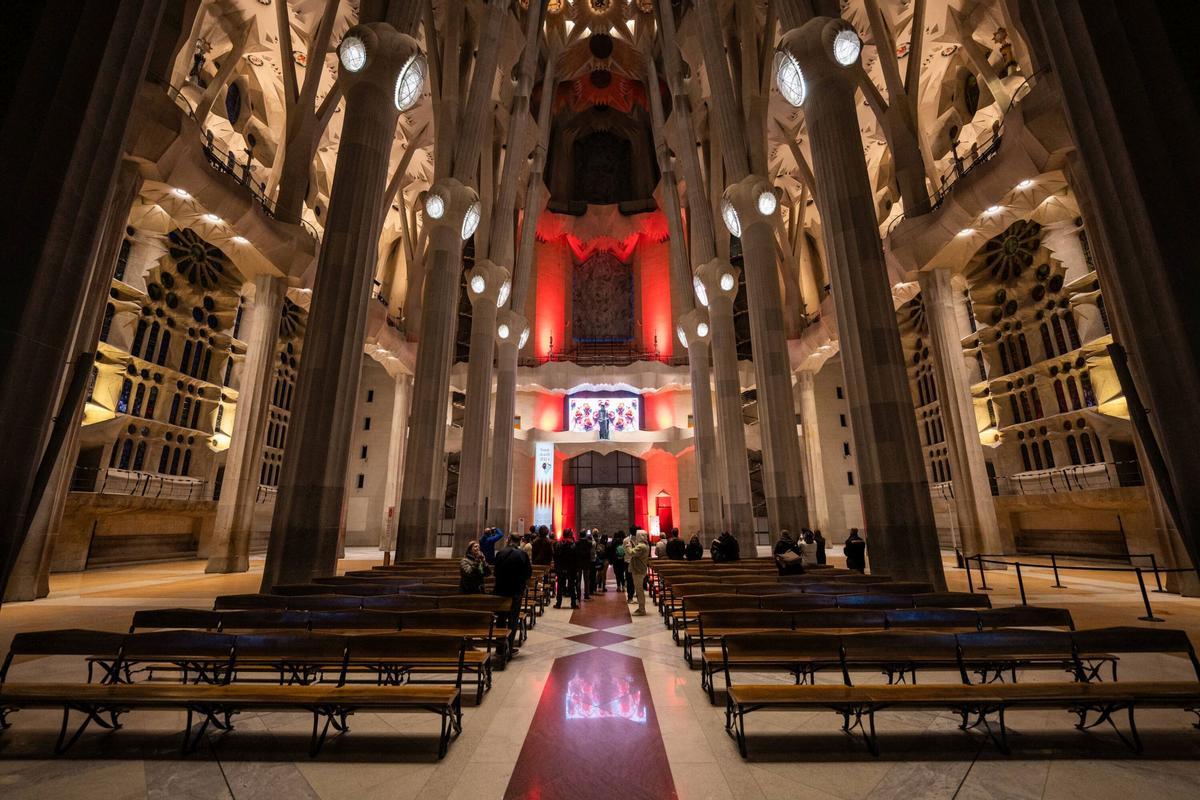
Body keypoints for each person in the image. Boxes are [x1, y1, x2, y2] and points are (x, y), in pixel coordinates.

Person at [493, 532, 533, 656]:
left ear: (509, 539)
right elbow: (528, 574)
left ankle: (500, 648)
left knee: (501, 619)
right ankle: (509, 647)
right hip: (516, 591)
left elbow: (495, 572)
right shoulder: (522, 555)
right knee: (513, 619)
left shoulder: (500, 553)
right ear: (519, 540)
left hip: (501, 591)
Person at [627, 531, 651, 614]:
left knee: (639, 590)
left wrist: (628, 546)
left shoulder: (641, 546)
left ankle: (642, 609)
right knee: (639, 590)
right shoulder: (645, 545)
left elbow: (631, 553)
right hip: (641, 569)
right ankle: (641, 607)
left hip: (638, 570)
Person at [553, 530, 579, 608]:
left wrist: (557, 567)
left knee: (560, 586)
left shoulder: (559, 544)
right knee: (571, 586)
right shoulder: (573, 545)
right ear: (570, 535)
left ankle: (558, 604)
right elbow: (575, 558)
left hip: (561, 568)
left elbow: (556, 557)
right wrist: (576, 569)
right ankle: (573, 603)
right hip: (570, 568)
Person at [575, 530, 595, 601]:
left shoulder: (576, 543)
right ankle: (586, 595)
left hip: (578, 563)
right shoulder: (589, 543)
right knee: (587, 580)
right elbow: (593, 544)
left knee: (578, 580)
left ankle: (578, 595)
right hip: (586, 563)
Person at [622, 530, 637, 602]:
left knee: (635, 579)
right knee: (629, 579)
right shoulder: (626, 540)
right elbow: (626, 551)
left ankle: (633, 593)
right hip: (628, 561)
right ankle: (630, 596)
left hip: (635, 562)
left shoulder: (637, 540)